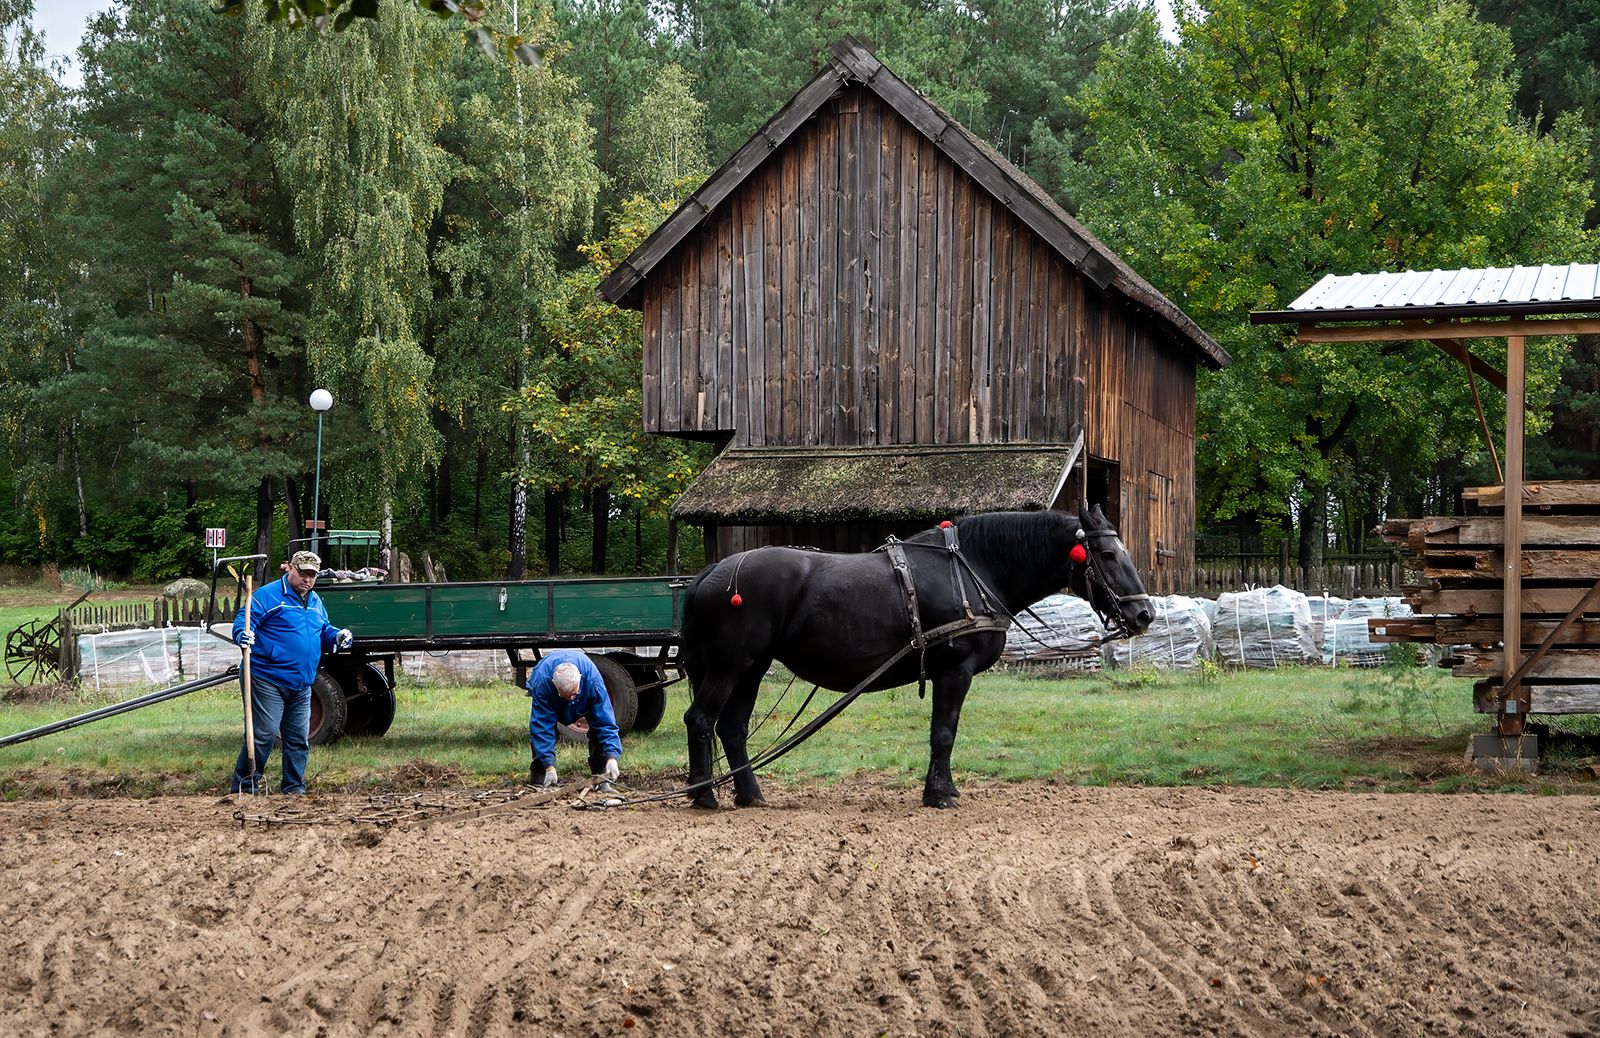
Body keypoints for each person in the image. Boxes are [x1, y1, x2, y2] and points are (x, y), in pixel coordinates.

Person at [230, 549, 352, 795]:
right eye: (303, 574)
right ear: (290, 570)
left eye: (312, 576)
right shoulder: (267, 596)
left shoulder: (315, 601)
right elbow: (244, 619)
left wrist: (337, 635)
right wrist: (241, 635)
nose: (308, 580)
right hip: (266, 678)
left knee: (298, 738)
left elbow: (323, 630)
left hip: (302, 682)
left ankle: (294, 788)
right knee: (263, 734)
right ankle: (244, 787)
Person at [525, 650, 621, 791]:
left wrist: (612, 757)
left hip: (587, 692)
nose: (571, 699)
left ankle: (602, 778)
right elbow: (541, 726)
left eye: (574, 694)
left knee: (597, 731)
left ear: (580, 680)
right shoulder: (543, 684)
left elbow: (605, 722)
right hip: (550, 693)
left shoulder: (593, 683)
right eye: (566, 695)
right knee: (544, 730)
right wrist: (548, 766)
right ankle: (540, 776)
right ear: (554, 685)